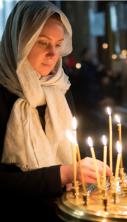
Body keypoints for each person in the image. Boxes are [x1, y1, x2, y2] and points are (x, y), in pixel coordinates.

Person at [0, 1, 110, 221]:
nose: (53, 54)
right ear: (19, 43)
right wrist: (65, 173)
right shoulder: (4, 93)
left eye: (58, 44)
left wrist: (82, 172)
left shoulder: (59, 89)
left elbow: (71, 149)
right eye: (42, 43)